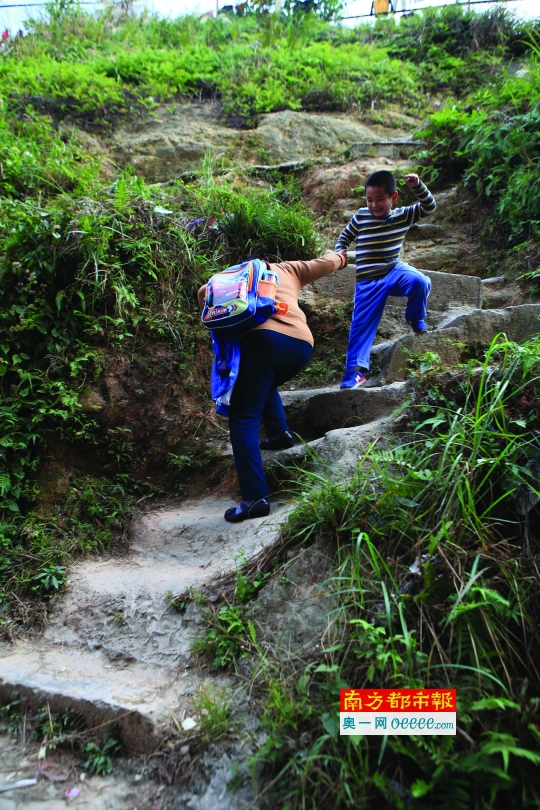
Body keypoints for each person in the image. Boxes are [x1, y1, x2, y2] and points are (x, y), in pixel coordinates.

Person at [198, 252, 346, 522]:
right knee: (262, 382)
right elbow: (324, 264)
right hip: (301, 345)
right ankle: (279, 435)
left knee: (243, 419)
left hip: (261, 343)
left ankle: (254, 499)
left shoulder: (224, 278)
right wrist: (342, 257)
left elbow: (203, 295)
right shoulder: (289, 269)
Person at [335, 170, 436, 389]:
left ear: (394, 197)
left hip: (393, 270)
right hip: (368, 280)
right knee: (361, 324)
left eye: (380, 199)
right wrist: (341, 251)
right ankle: (355, 371)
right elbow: (345, 237)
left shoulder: (402, 216)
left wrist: (418, 185)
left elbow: (429, 207)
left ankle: (414, 317)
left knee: (420, 281)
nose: (374, 205)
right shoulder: (361, 216)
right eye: (370, 199)